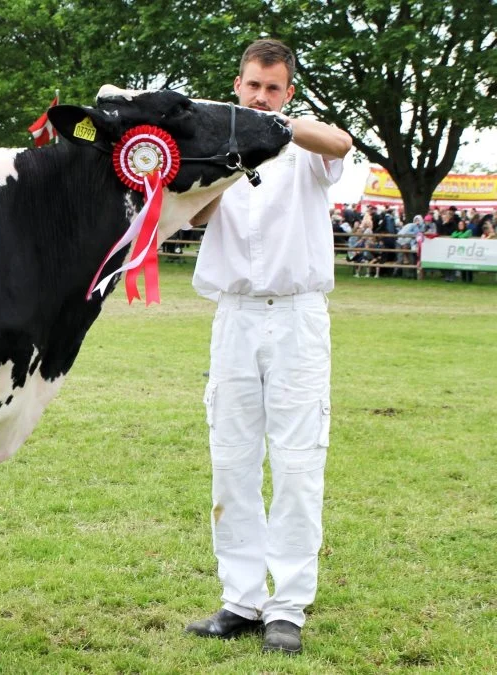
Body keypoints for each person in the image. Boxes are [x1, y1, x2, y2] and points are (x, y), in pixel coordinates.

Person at [186, 38, 352, 656]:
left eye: (274, 87)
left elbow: (340, 145)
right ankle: (240, 599)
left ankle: (288, 607)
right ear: (238, 84)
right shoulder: (221, 151)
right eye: (253, 86)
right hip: (234, 316)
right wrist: (221, 156)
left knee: (297, 461)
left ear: (288, 92)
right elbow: (197, 218)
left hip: (296, 318)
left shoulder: (302, 148)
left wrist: (277, 127)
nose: (261, 96)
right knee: (231, 457)